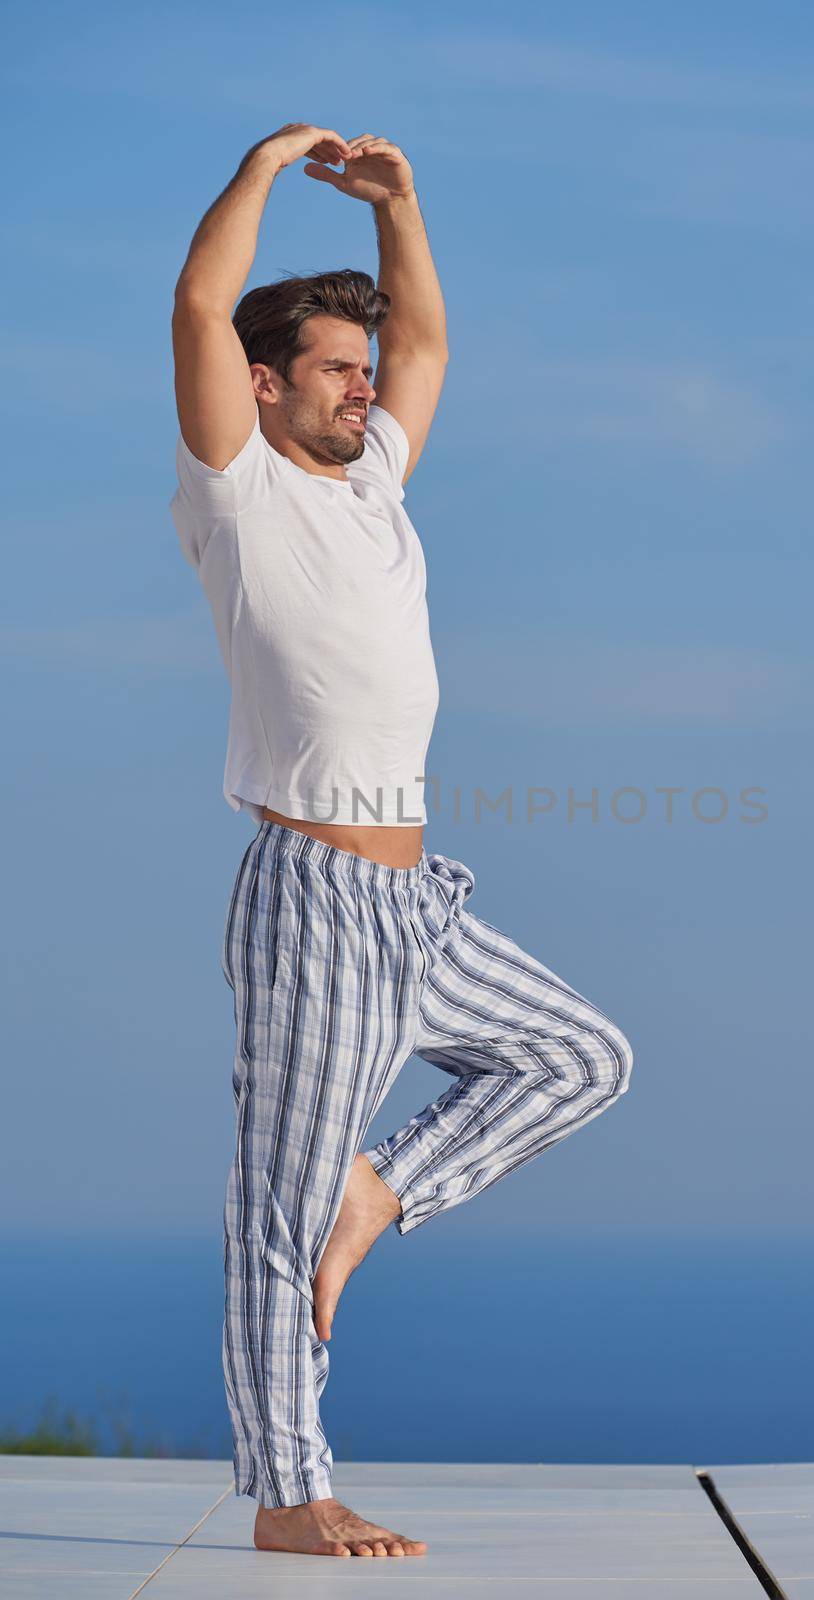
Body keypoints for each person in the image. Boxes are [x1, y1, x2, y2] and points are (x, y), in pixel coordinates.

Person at [170, 123, 634, 1560]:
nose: (363, 387)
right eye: (332, 368)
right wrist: (258, 173)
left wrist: (402, 209)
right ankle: (288, 1496)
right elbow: (197, 307)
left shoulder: (373, 477)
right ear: (264, 385)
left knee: (581, 1055)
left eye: (362, 377)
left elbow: (424, 343)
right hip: (311, 894)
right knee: (274, 1208)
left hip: (414, 903)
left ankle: (381, 1191)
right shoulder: (238, 488)